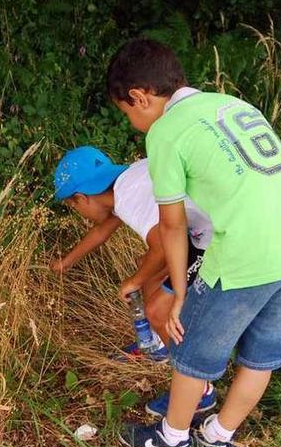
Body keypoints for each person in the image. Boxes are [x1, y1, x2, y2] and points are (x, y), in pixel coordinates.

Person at [109, 38, 281, 447]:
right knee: (261, 355)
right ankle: (220, 436)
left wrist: (181, 295)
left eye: (128, 113)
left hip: (248, 249)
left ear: (140, 97)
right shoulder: (232, 105)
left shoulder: (167, 131)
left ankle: (173, 440)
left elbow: (173, 224)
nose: (133, 122)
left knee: (192, 352)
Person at [51, 146, 216, 415]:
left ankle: (200, 391)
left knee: (157, 311)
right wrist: (66, 262)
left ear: (81, 198)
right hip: (200, 228)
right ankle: (159, 344)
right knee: (147, 267)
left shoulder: (128, 199)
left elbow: (163, 246)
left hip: (210, 240)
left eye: (73, 206)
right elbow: (102, 230)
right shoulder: (129, 178)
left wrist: (134, 281)